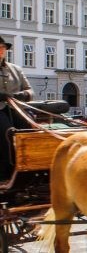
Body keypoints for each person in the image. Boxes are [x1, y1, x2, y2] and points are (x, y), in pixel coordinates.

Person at [0, 35, 34, 178]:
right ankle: (6, 171)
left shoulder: (16, 70)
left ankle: (29, 168)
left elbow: (30, 91)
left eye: (3, 48)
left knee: (30, 128)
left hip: (16, 108)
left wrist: (22, 95)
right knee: (7, 131)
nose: (1, 51)